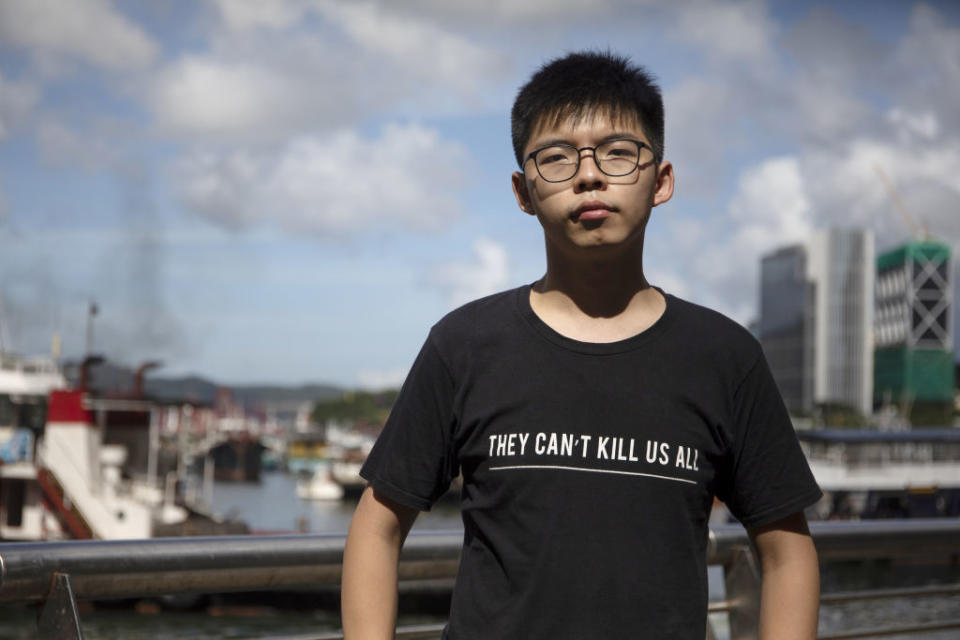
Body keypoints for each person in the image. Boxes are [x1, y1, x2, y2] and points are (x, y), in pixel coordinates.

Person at [341, 51, 821, 640]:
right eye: (557, 157)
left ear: (661, 180)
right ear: (523, 192)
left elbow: (786, 549)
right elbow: (379, 523)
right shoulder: (464, 346)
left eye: (619, 152)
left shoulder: (725, 357)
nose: (589, 175)